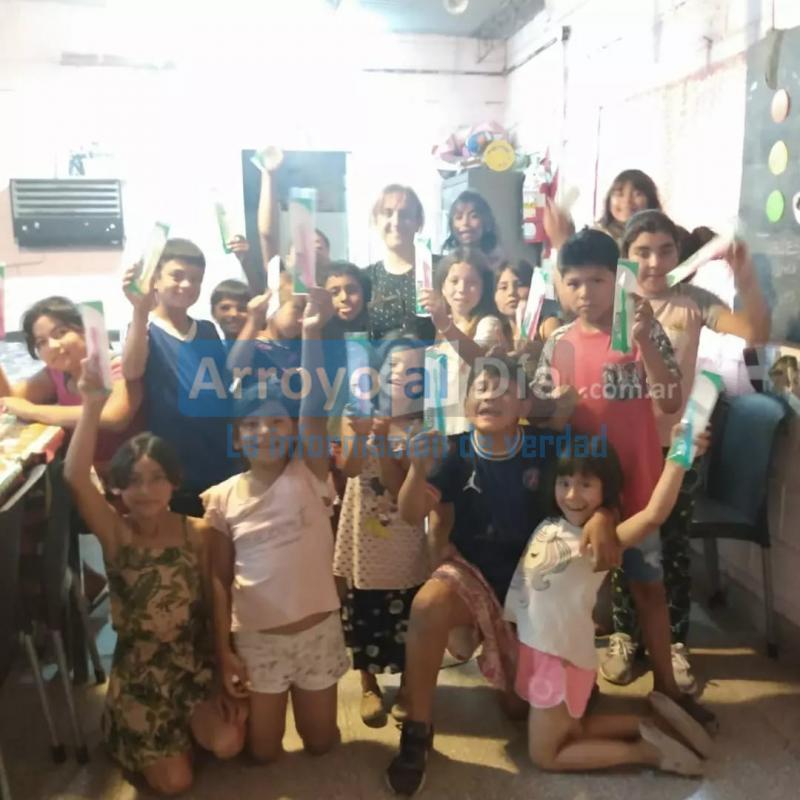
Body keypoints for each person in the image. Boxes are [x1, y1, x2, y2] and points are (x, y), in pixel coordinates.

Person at [385, 355, 620, 795]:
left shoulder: (548, 447)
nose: (490, 395)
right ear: (466, 402)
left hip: (535, 587)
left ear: (525, 404)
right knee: (428, 604)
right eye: (481, 387)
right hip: (472, 573)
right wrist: (416, 469)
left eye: (503, 388)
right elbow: (411, 513)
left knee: (517, 710)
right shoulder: (452, 451)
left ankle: (543, 675)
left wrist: (604, 515)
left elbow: (597, 483)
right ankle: (416, 731)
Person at [532, 228, 715, 729]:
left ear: (619, 280)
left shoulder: (642, 332)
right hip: (581, 494)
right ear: (561, 285)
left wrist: (645, 340)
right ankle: (575, 686)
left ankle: (667, 688)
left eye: (597, 280)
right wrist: (553, 406)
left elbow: (671, 400)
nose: (585, 293)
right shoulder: (558, 343)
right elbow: (545, 420)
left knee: (648, 587)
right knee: (577, 594)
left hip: (637, 485)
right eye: (574, 282)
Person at [63, 358, 246, 796]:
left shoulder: (197, 532)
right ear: (118, 487)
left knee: (229, 743)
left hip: (192, 664)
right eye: (133, 481)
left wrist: (225, 660)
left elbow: (217, 599)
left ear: (174, 482)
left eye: (157, 479)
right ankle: (126, 729)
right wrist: (91, 404)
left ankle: (183, 736)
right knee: (175, 783)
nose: (145, 491)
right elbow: (74, 476)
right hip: (141, 674)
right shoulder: (117, 534)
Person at [604, 210, 770, 691]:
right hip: (622, 447)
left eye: (666, 251)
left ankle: (675, 642)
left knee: (674, 549)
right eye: (642, 252)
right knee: (623, 543)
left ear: (680, 255)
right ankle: (624, 635)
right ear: (626, 258)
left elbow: (756, 332)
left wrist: (745, 275)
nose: (655, 262)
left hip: (676, 445)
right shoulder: (613, 303)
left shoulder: (693, 301)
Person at [505, 428, 715, 776]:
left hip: (557, 659)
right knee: (571, 730)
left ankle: (649, 753)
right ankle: (658, 726)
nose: (572, 494)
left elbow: (653, 515)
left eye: (586, 484)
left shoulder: (598, 543)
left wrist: (679, 456)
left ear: (606, 492)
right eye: (564, 482)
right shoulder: (553, 523)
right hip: (542, 651)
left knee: (546, 755)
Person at [203, 287, 349, 764]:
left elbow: (314, 404)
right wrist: (224, 649)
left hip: (317, 633)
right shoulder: (222, 498)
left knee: (321, 742)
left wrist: (312, 332)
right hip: (257, 640)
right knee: (263, 754)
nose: (264, 432)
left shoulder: (310, 473)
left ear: (292, 431)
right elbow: (218, 580)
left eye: (277, 422)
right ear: (236, 437)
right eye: (251, 425)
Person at [333, 336, 429, 728]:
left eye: (413, 370)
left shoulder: (423, 426)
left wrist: (386, 440)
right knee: (360, 605)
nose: (402, 376)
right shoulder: (354, 412)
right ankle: (368, 684)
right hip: (362, 531)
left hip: (404, 533)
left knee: (408, 606)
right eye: (394, 367)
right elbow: (351, 469)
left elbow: (397, 486)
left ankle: (408, 685)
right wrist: (361, 434)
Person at [121, 238, 236, 517]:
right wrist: (139, 309)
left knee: (221, 535)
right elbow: (132, 371)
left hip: (220, 457)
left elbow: (223, 390)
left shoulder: (208, 330)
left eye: (196, 279)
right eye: (177, 276)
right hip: (175, 461)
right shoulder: (145, 329)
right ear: (155, 279)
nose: (187, 285)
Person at [0, 296, 141, 474]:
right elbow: (9, 399)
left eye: (61, 332)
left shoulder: (117, 368)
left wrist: (31, 411)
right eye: (41, 342)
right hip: (78, 471)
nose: (52, 346)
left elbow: (113, 418)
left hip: (124, 477)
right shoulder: (57, 374)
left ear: (86, 330)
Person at [418, 248, 510, 435]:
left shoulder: (488, 323)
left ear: (484, 289)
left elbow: (480, 360)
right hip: (438, 432)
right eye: (454, 281)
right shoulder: (433, 328)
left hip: (469, 431)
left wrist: (445, 325)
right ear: (442, 287)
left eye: (472, 283)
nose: (461, 289)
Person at [366, 184, 435, 342]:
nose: (396, 221)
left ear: (418, 221)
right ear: (376, 220)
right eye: (388, 213)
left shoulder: (443, 271)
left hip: (433, 357)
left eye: (405, 215)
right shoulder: (366, 279)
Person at [494, 260, 561, 345]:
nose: (511, 292)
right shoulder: (498, 333)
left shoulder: (547, 326)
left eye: (519, 285)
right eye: (503, 287)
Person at [441, 190, 505, 272]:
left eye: (474, 216)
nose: (465, 223)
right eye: (459, 217)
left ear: (487, 222)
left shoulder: (499, 264)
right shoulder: (446, 265)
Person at [595, 169, 662, 244]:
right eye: (619, 194)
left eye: (637, 194)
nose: (627, 201)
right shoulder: (596, 237)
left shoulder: (663, 236)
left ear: (651, 200)